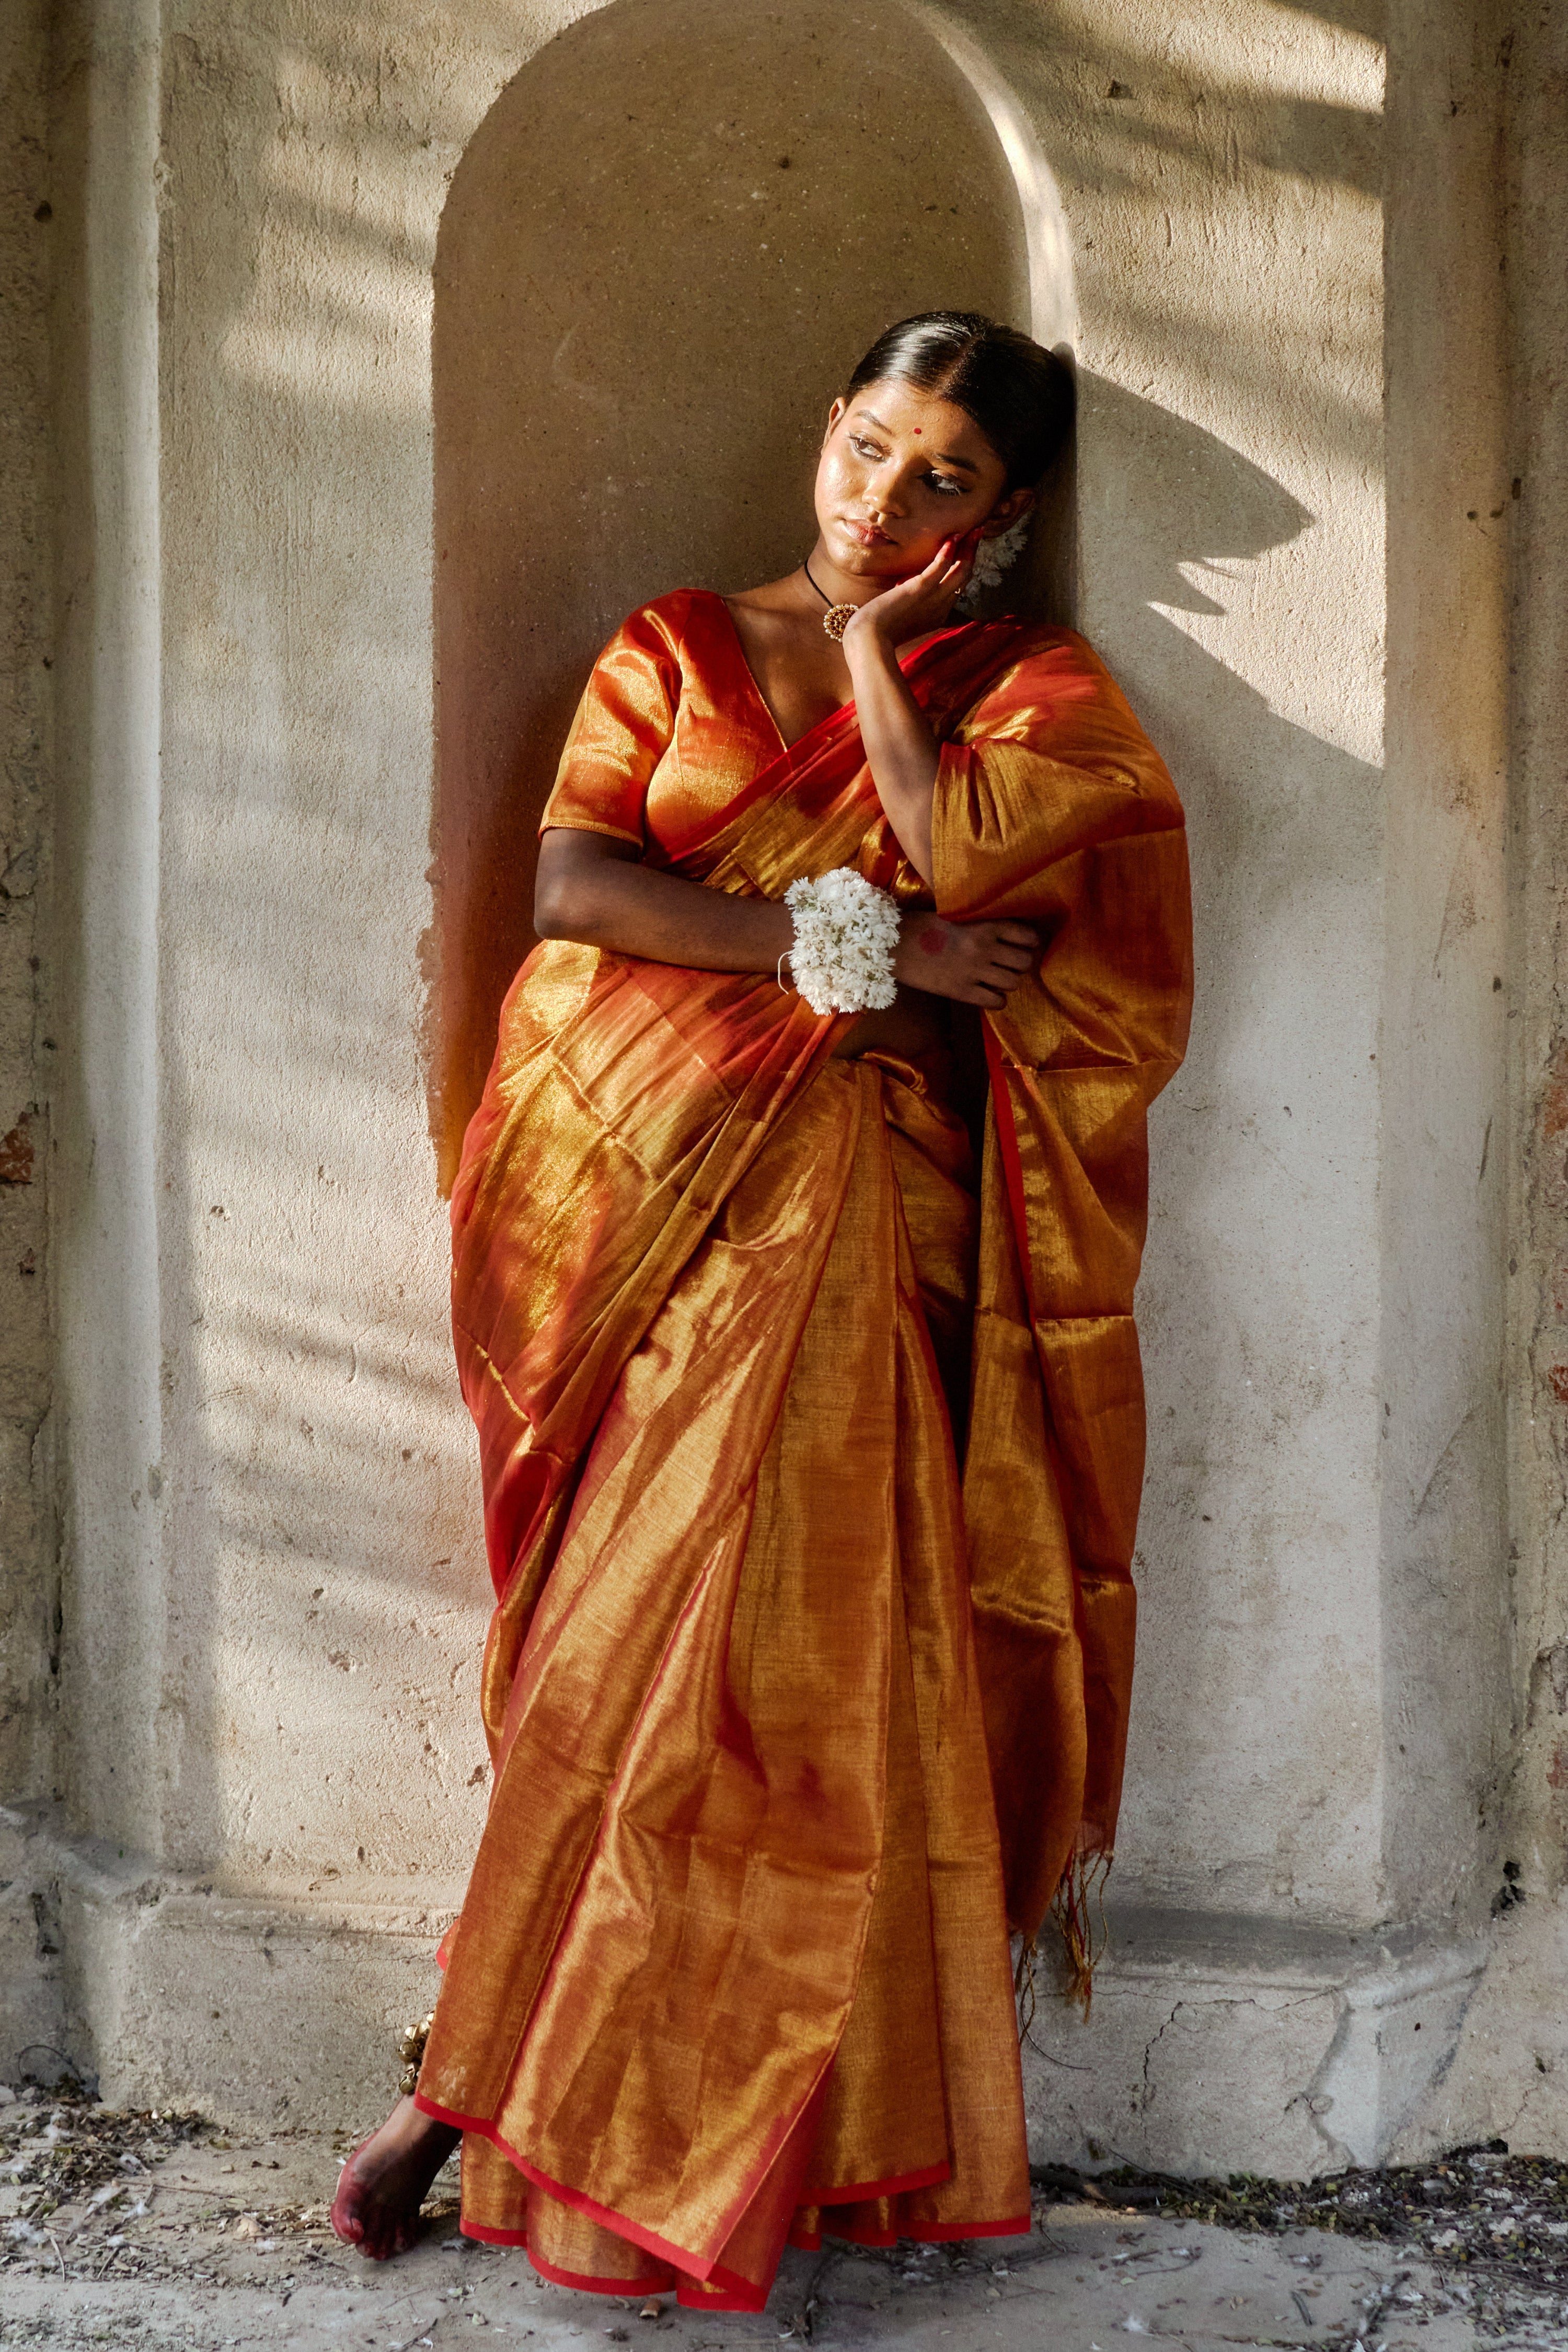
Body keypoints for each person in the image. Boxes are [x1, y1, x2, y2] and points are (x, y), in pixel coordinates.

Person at [331, 312, 1193, 2305]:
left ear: (1006, 516)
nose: (882, 498)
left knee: (822, 1711)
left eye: (942, 480)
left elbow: (1053, 934)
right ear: (827, 427)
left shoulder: (1035, 689)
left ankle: (807, 2151)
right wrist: (856, 956)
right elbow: (572, 890)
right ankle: (469, 2093)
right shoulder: (676, 648)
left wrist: (886, 653)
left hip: (882, 1249)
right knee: (613, 1669)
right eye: (871, 448)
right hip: (676, 1238)